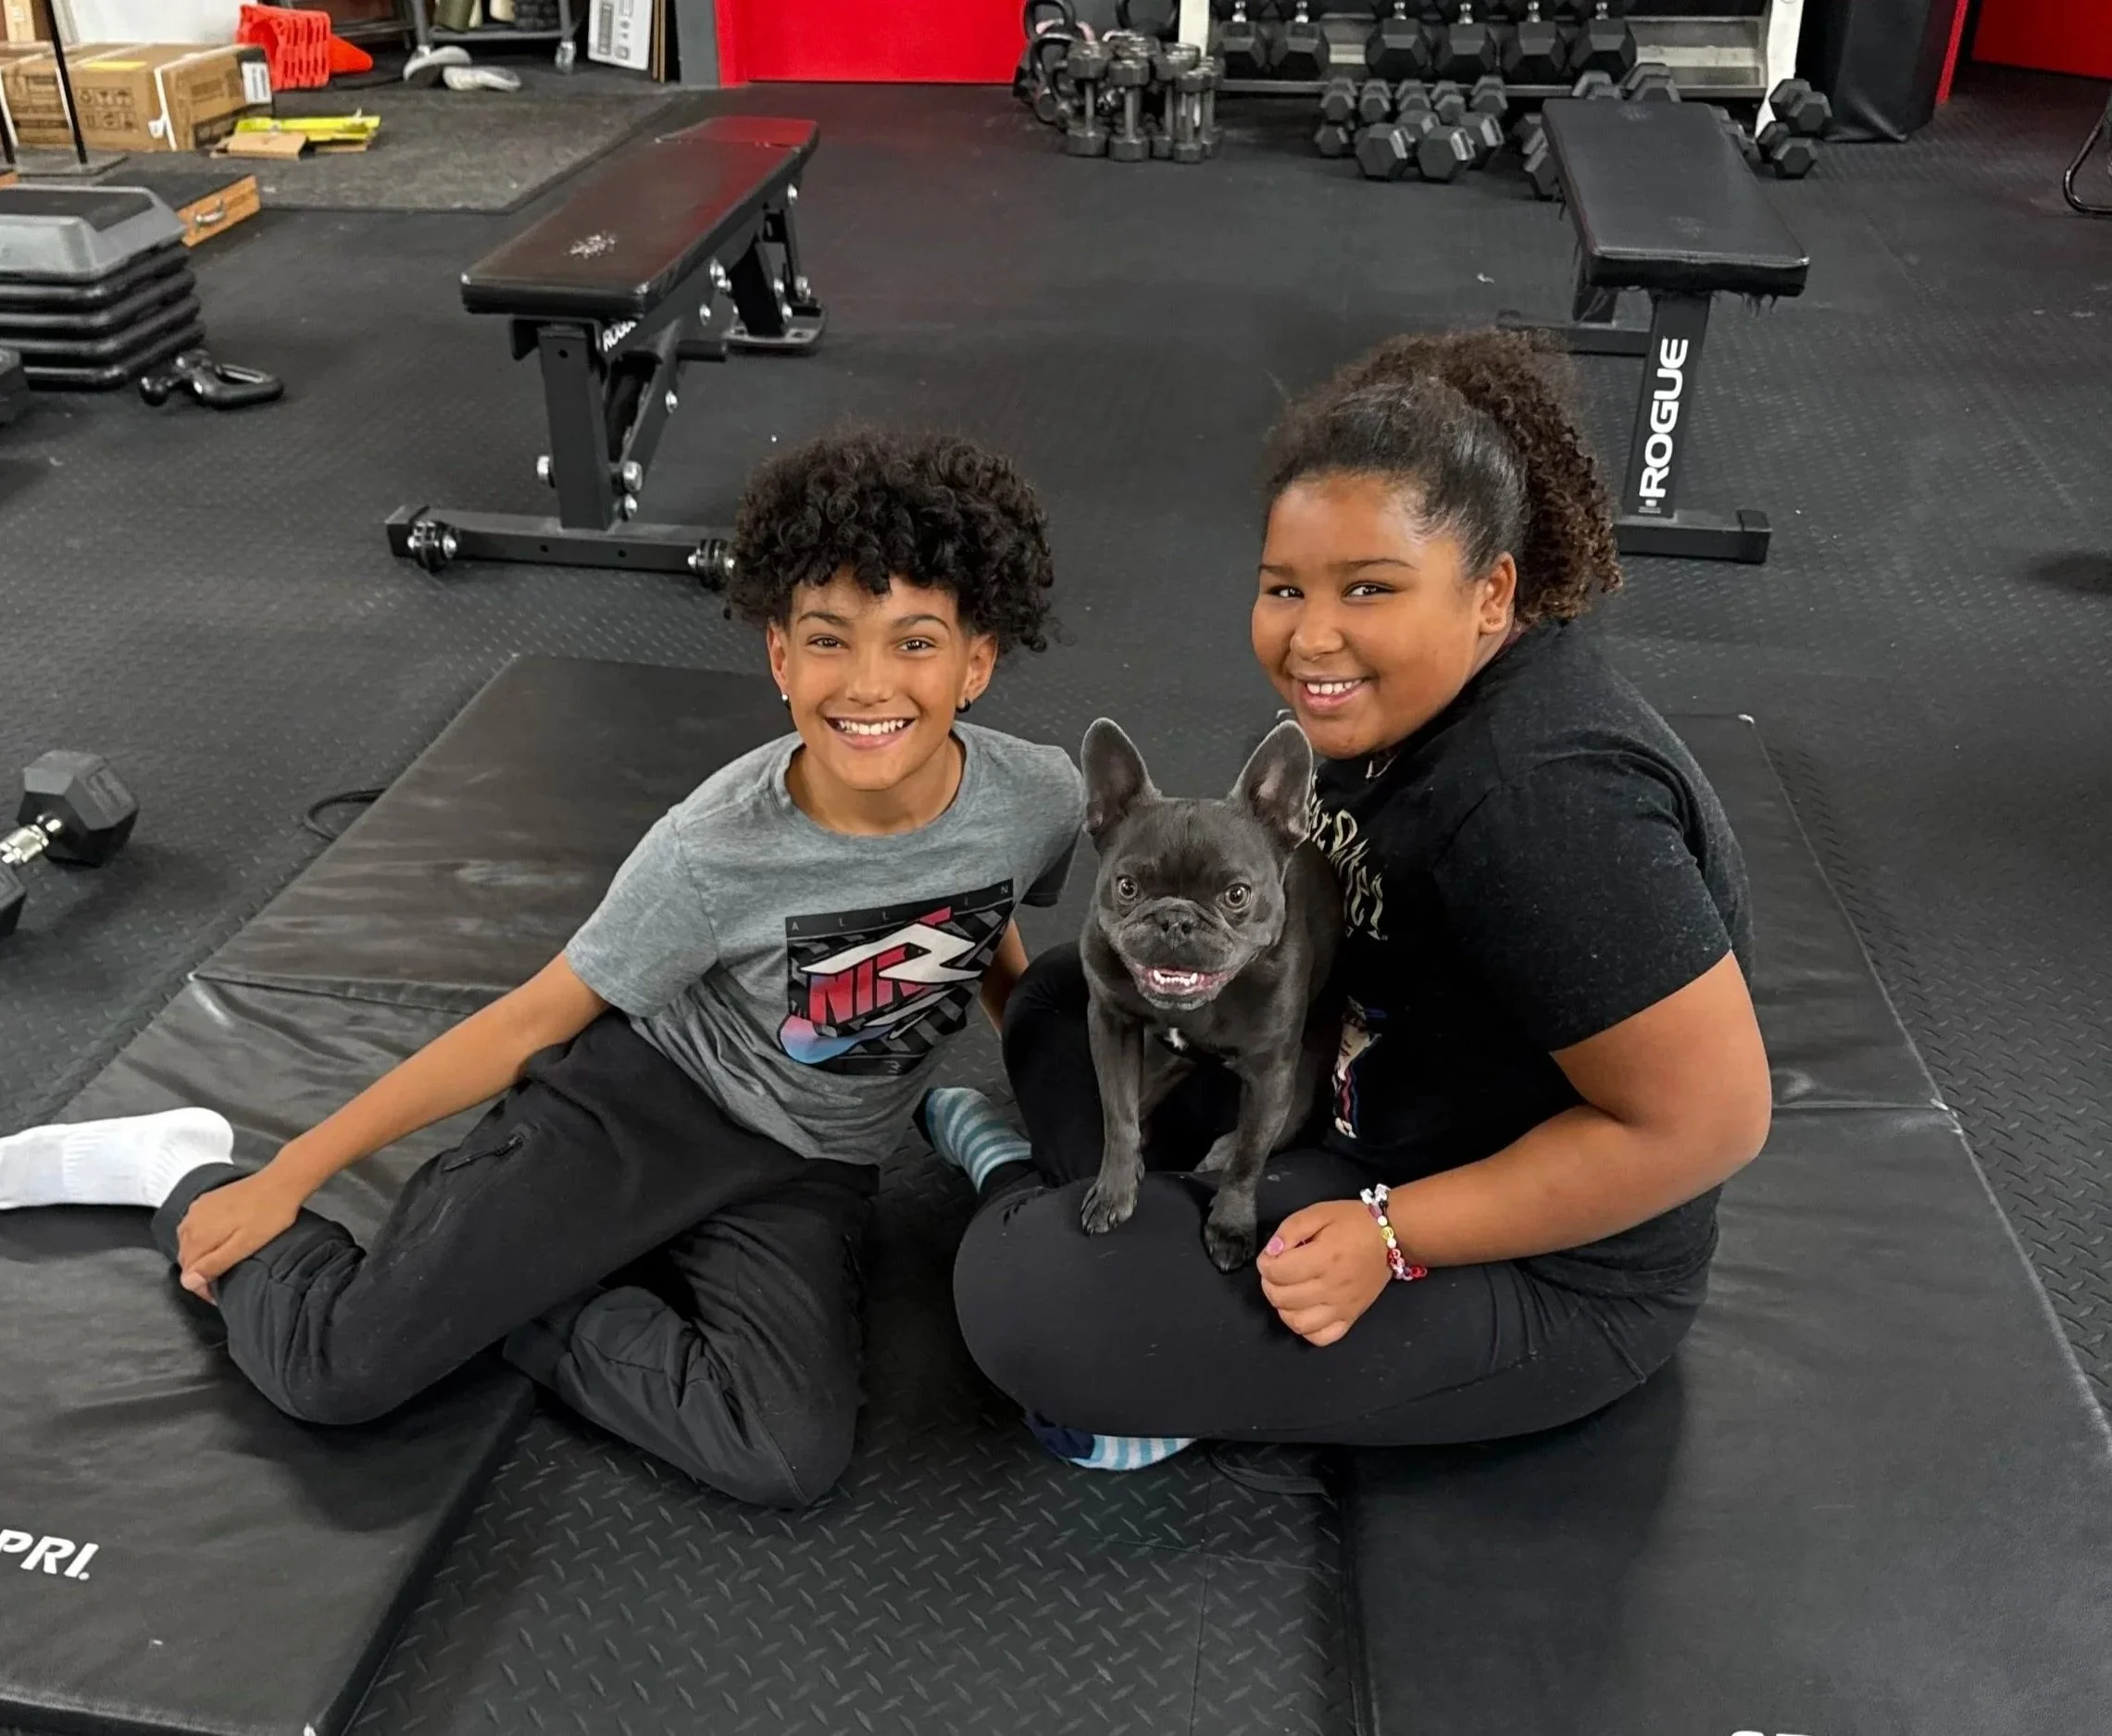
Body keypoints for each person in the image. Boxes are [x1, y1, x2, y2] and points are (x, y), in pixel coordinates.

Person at [0, 430, 1084, 1510]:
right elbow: (526, 1024)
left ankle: (522, 1291)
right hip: (643, 1111)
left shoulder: (1037, 800)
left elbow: (982, 929)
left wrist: (1037, 1076)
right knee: (338, 1372)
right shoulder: (710, 849)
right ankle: (179, 1167)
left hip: (813, 1167)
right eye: (829, 640)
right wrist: (289, 1178)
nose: (867, 684)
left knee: (782, 1453)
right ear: (779, 656)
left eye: (914, 643)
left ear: (976, 662)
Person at [928, 329, 1771, 1469]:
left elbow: (1708, 1123)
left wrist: (1390, 1233)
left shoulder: (1542, 804)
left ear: (1492, 594)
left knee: (1025, 1295)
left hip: (1532, 1264)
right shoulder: (1393, 713)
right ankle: (1131, 1230)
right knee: (1066, 997)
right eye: (1284, 588)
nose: (1309, 637)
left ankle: (1087, 1242)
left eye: (1368, 589)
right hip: (1356, 1108)